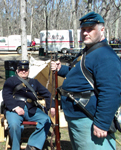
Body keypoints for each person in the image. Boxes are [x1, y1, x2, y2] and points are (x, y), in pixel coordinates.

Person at [51, 11, 121, 150]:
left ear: (102, 30)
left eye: (90, 29)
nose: (85, 33)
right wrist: (62, 69)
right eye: (83, 29)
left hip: (89, 118)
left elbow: (111, 91)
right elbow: (79, 73)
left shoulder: (105, 55)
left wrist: (102, 122)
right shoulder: (88, 51)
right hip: (77, 116)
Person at [2, 60, 55, 150]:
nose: (23, 71)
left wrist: (51, 106)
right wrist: (15, 107)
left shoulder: (34, 82)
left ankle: (33, 145)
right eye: (21, 69)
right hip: (14, 109)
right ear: (17, 70)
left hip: (32, 109)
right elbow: (6, 95)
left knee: (46, 120)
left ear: (28, 70)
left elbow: (47, 94)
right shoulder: (11, 81)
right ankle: (15, 148)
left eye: (26, 69)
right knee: (14, 125)